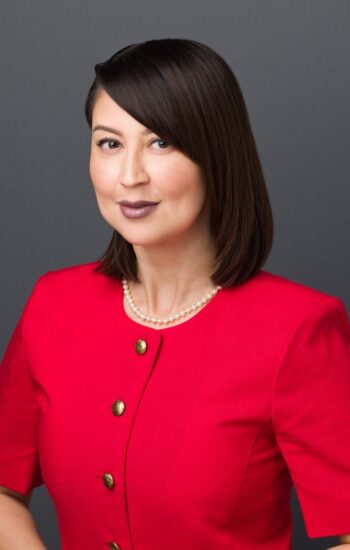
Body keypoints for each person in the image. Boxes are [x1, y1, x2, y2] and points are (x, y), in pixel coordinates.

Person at [0, 37, 349, 550]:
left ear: (216, 154)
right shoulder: (55, 304)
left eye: (161, 142)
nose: (130, 176)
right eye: (109, 143)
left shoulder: (297, 328)